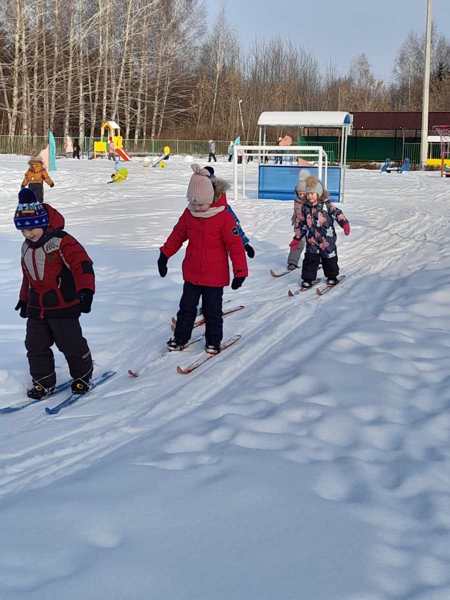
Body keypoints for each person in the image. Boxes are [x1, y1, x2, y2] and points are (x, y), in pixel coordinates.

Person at [13, 189, 95, 399]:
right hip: (37, 306)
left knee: (71, 343)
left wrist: (86, 290)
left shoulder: (62, 241)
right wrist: (24, 299)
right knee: (35, 345)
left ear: (43, 222)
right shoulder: (26, 247)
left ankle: (82, 376)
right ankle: (43, 382)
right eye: (23, 231)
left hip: (63, 305)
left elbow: (82, 265)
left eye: (32, 229)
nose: (28, 234)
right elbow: (27, 277)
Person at [158, 165, 248, 354]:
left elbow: (235, 246)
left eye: (201, 204)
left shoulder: (223, 216)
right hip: (192, 272)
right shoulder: (190, 213)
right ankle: (180, 338)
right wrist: (164, 254)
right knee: (186, 309)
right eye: (193, 203)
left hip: (215, 276)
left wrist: (240, 272)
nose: (197, 208)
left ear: (210, 197)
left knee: (212, 311)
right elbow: (178, 234)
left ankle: (213, 341)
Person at [293, 174, 350, 288]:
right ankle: (308, 279)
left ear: (318, 193)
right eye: (308, 194)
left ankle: (332, 277)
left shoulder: (326, 205)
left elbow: (337, 212)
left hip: (326, 238)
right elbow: (302, 224)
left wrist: (344, 223)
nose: (310, 196)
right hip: (312, 239)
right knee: (310, 258)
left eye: (313, 194)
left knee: (329, 258)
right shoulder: (305, 207)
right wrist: (297, 238)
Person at [204, 165, 255, 259]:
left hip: (218, 257)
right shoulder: (194, 209)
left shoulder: (223, 209)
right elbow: (179, 233)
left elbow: (234, 228)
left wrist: (245, 244)